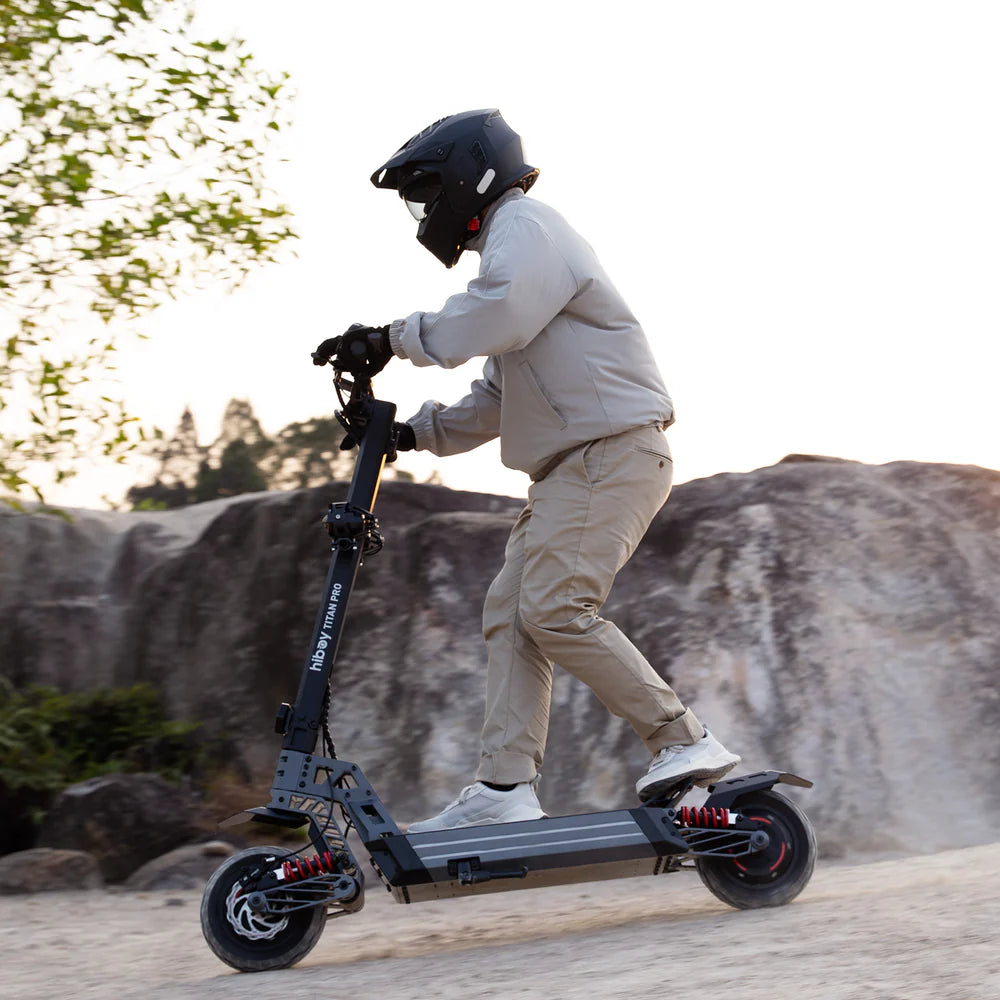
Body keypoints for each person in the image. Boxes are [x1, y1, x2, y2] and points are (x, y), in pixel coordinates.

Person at [313, 110, 739, 833]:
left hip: (612, 453)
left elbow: (498, 313)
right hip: (573, 469)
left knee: (553, 607)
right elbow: (497, 398)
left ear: (464, 178)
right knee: (511, 616)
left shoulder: (525, 227)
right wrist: (412, 433)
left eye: (425, 196)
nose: (423, 215)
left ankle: (683, 740)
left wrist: (391, 340)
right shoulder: (512, 257)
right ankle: (505, 786)